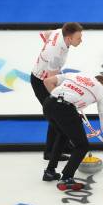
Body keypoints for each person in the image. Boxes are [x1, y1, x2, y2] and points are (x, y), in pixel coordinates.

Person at [42, 72, 103, 191]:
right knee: (82, 146)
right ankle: (67, 178)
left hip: (48, 103)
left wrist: (63, 104)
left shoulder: (78, 75)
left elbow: (47, 81)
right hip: (65, 109)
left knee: (63, 135)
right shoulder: (101, 90)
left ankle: (50, 172)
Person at [31, 22, 84, 162]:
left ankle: (64, 145)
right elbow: (50, 81)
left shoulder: (60, 31)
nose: (81, 40)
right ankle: (50, 152)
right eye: (78, 38)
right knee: (57, 114)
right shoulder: (56, 54)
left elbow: (45, 34)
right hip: (42, 82)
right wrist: (60, 99)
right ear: (68, 39)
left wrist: (44, 52)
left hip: (45, 74)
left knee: (59, 113)